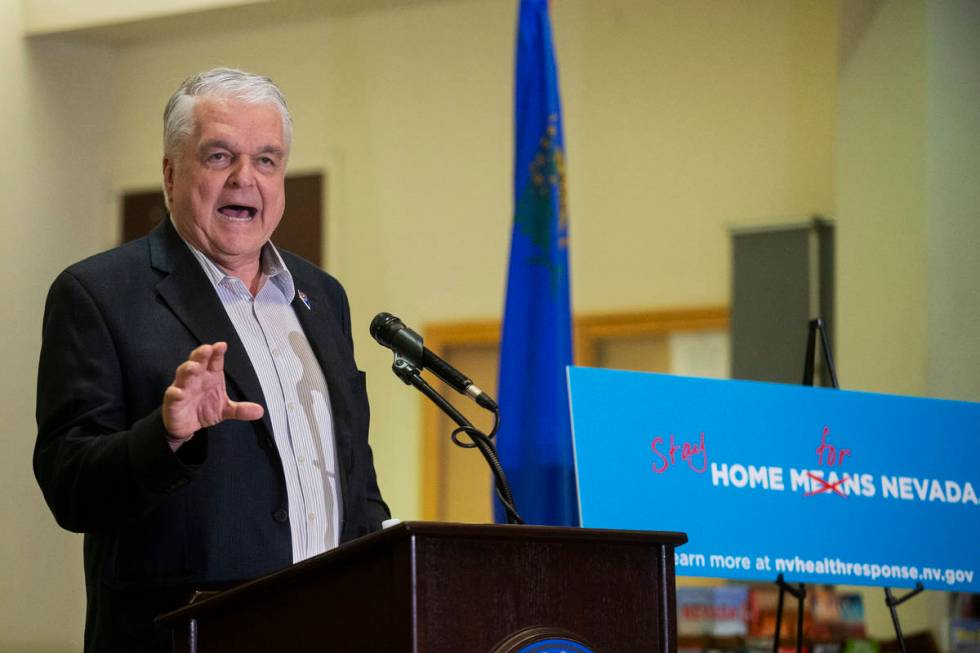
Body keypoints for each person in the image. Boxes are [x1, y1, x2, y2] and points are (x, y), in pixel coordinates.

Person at [34, 68, 389, 652]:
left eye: (267, 160)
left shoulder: (322, 296)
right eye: (220, 156)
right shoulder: (99, 294)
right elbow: (70, 487)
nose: (245, 179)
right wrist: (166, 437)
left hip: (330, 629)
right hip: (185, 638)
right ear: (172, 174)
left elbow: (354, 476)